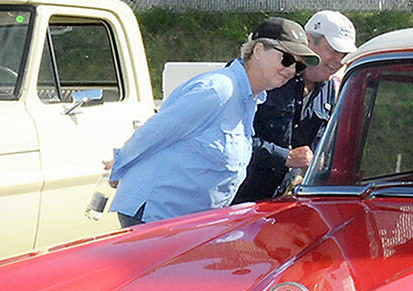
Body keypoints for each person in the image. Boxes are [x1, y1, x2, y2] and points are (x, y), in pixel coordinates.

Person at [108, 18, 319, 227]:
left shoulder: (251, 99)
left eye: (299, 66)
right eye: (287, 59)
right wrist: (119, 168)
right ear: (258, 50)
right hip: (154, 215)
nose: (291, 71)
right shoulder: (218, 90)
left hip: (185, 222)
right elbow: (154, 132)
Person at [232, 10, 355, 203]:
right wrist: (285, 156)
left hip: (282, 205)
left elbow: (318, 148)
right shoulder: (270, 75)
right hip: (237, 200)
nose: (339, 60)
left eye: (344, 54)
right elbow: (231, 140)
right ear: (308, 41)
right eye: (333, 50)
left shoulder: (330, 90)